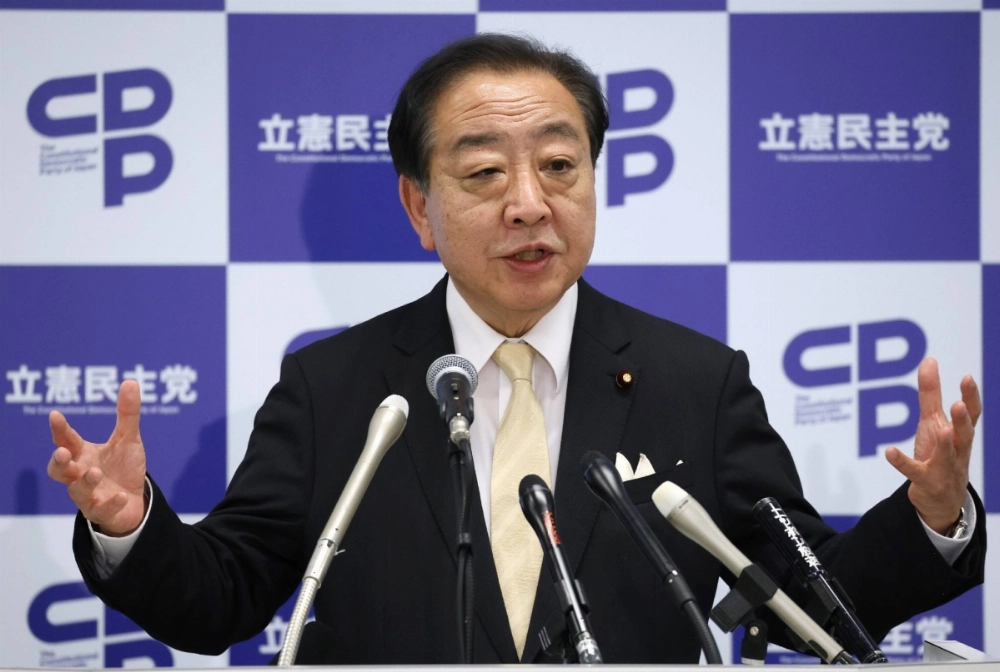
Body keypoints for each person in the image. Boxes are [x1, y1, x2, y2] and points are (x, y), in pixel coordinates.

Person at [47, 34, 984, 664]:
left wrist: (932, 517)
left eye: (560, 166)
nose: (530, 202)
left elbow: (816, 604)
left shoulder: (699, 384)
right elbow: (224, 598)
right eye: (486, 171)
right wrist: (131, 526)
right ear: (421, 206)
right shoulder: (335, 390)